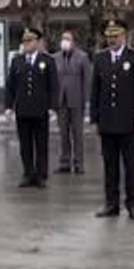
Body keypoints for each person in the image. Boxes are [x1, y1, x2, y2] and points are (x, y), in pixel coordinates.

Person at [91, 19, 134, 220]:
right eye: (109, 37)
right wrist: (95, 118)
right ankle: (111, 203)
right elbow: (95, 91)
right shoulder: (100, 59)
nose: (112, 40)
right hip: (107, 121)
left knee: (131, 165)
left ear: (123, 36)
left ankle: (132, 203)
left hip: (128, 121)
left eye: (115, 36)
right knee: (110, 165)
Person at [6, 27, 59, 189]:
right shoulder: (17, 61)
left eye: (30, 41)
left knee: (41, 144)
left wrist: (52, 107)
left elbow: (53, 86)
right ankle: (28, 173)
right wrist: (9, 106)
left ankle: (41, 175)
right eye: (25, 41)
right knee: (25, 144)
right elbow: (11, 86)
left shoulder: (47, 60)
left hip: (41, 109)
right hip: (22, 109)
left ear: (38, 42)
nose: (27, 44)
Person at [54, 29, 92, 175]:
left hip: (77, 100)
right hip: (61, 101)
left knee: (77, 134)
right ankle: (64, 162)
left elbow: (87, 81)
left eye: (67, 39)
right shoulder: (55, 57)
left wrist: (87, 102)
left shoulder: (82, 57)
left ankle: (79, 163)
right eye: (63, 38)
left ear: (73, 42)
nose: (65, 41)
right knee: (63, 133)